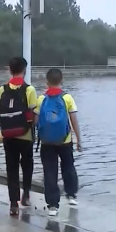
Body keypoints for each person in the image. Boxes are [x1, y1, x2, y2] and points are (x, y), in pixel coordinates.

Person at [35, 68, 82, 217]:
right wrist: (78, 139)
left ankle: (53, 205)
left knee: (50, 171)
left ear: (46, 81)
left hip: (46, 142)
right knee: (68, 166)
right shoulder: (67, 98)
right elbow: (74, 120)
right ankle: (71, 195)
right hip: (65, 141)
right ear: (62, 80)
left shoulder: (41, 99)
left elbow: (36, 121)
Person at [0, 57, 38, 217]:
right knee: (27, 165)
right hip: (25, 135)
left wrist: (2, 131)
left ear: (10, 70)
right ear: (25, 70)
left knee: (11, 168)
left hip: (8, 135)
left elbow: (0, 113)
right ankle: (25, 195)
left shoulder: (2, 89)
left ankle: (13, 204)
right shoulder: (29, 90)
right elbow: (33, 115)